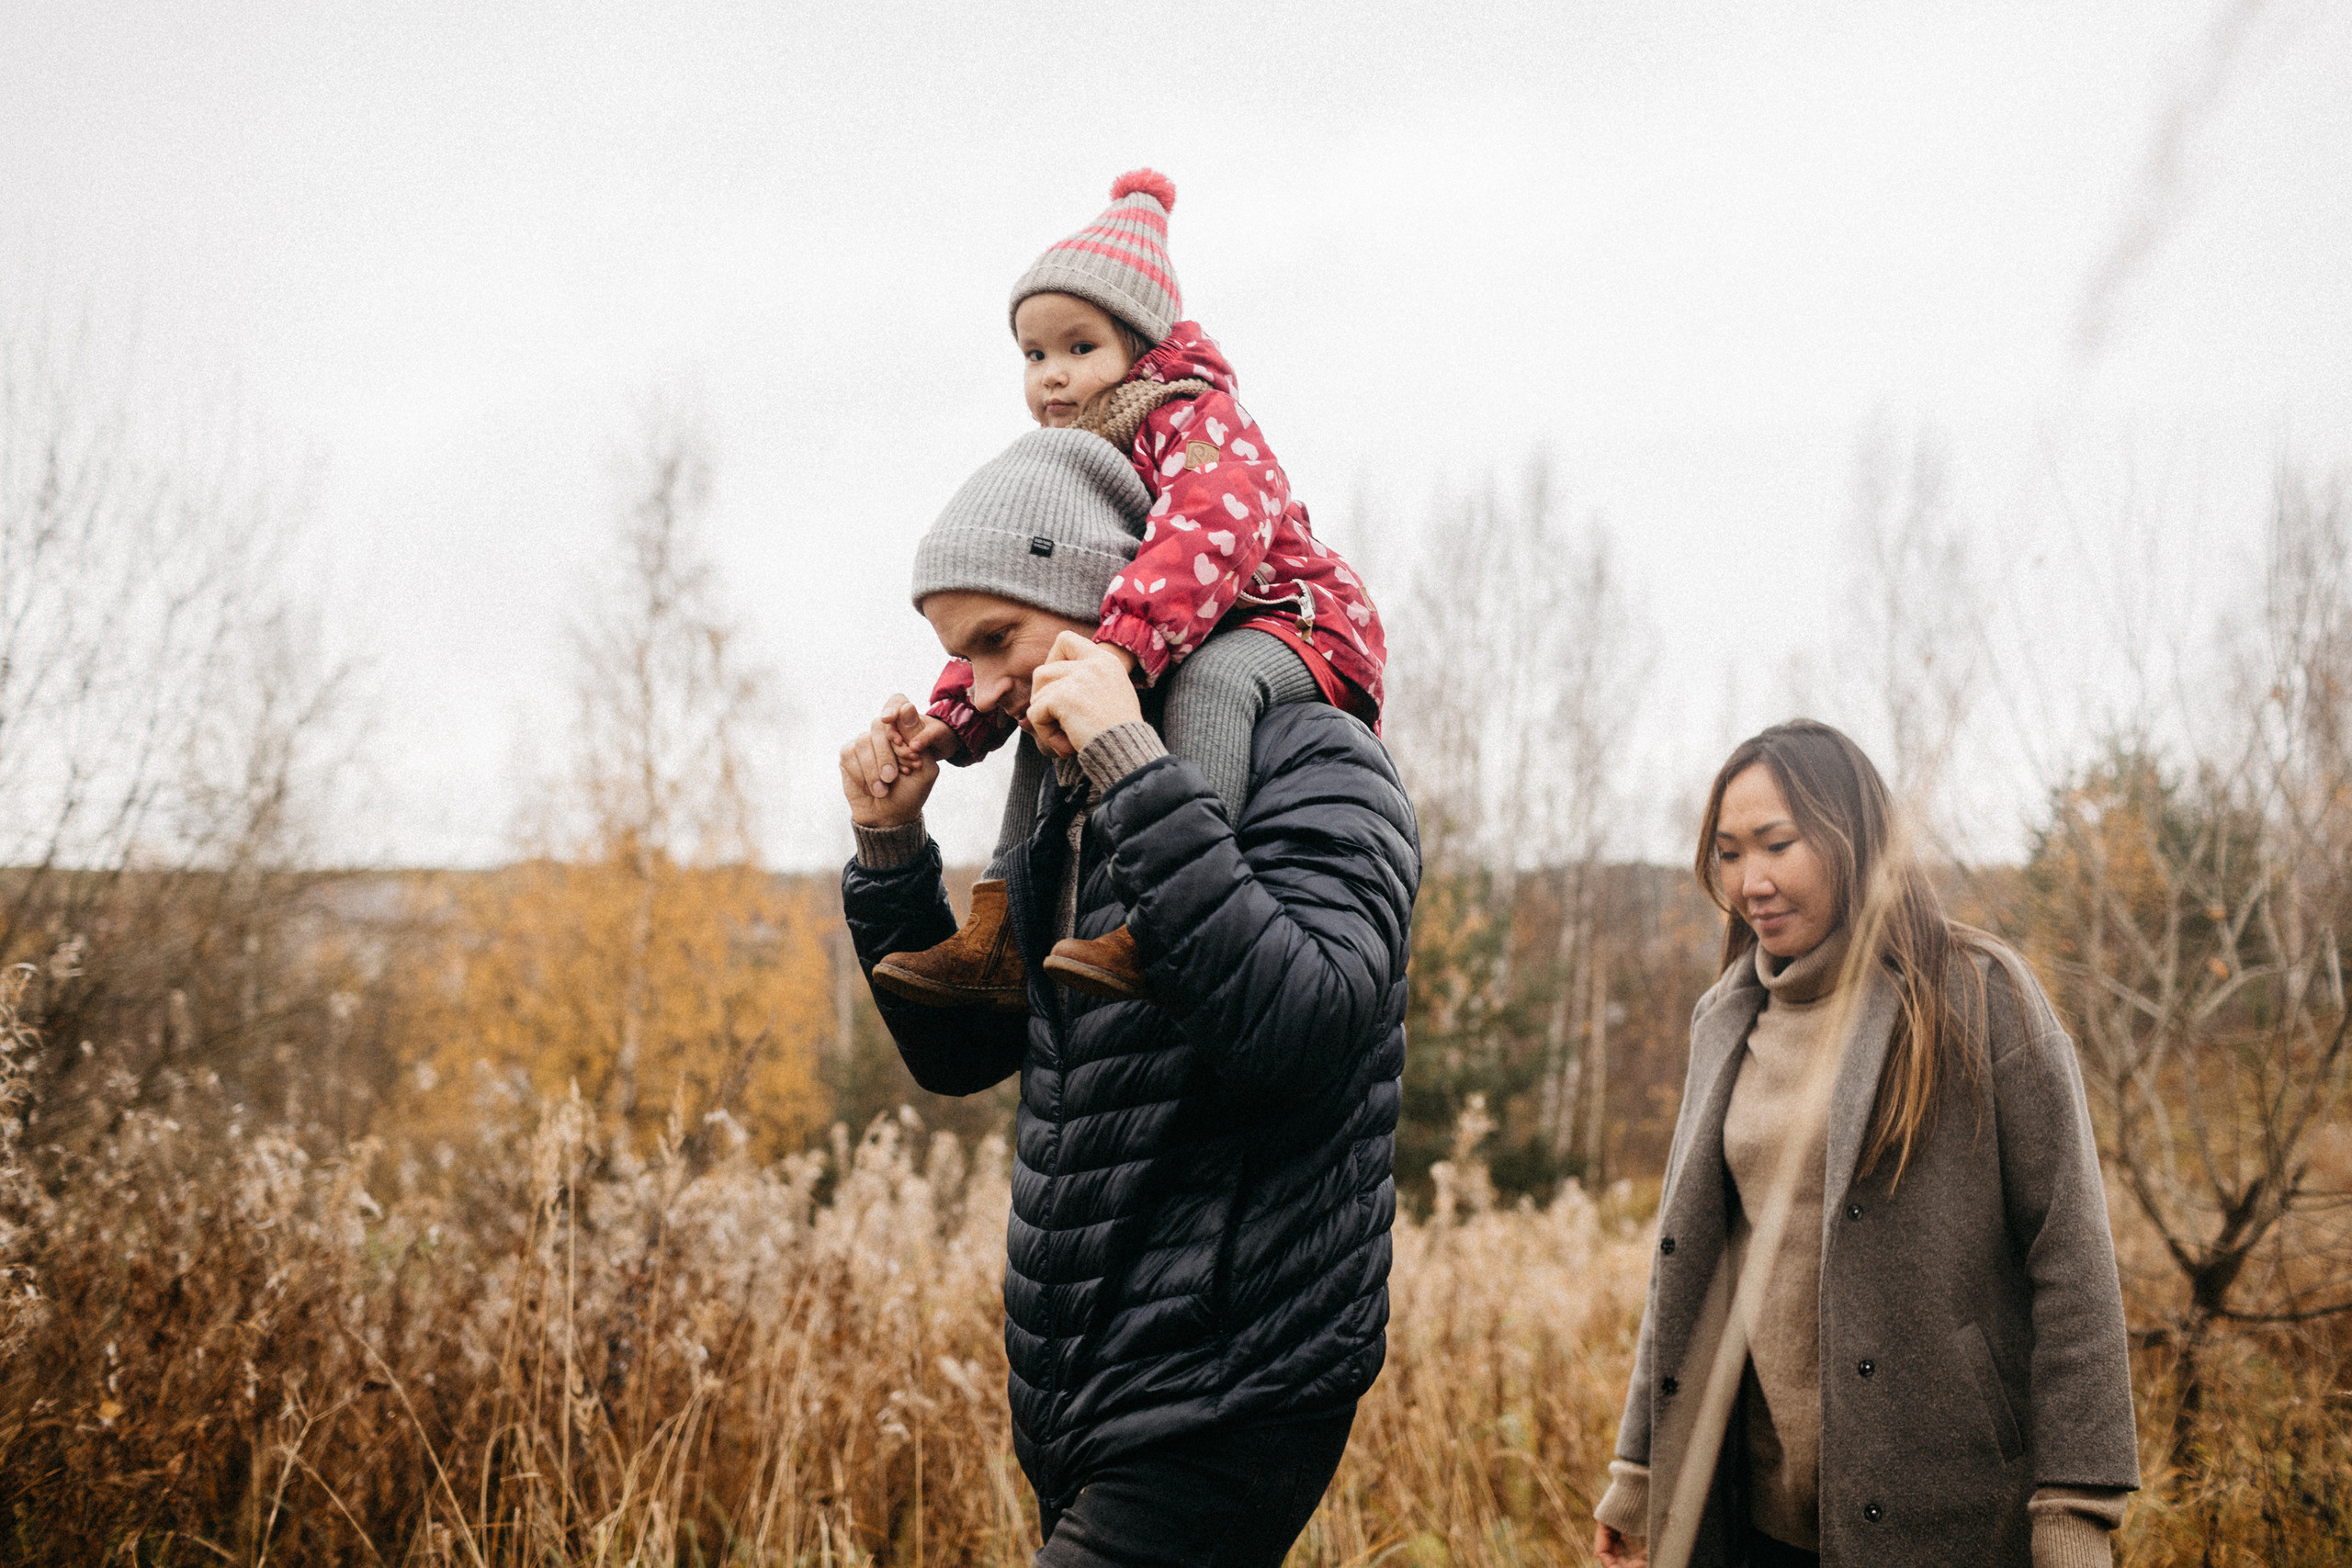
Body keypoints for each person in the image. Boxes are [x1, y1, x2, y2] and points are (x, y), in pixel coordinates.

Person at [836, 426, 1418, 1567]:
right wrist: (891, 848)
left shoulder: (1317, 755)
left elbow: (1301, 1026)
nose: (984, 689)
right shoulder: (1063, 794)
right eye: (962, 655)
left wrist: (1139, 777)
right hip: (1080, 1389)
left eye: (999, 640)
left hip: (1233, 1380)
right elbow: (964, 1058)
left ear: (1099, 598)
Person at [1592, 720, 2138, 1568]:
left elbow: (2070, 1256)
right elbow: (1687, 1265)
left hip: (1951, 1518)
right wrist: (1639, 1467)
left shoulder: (1977, 997)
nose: (1751, 881)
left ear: (1854, 839)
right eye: (1729, 853)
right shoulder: (1725, 1021)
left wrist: (2077, 1509)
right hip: (1759, 1518)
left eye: (1777, 843)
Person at [868, 168, 1385, 1009]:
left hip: (1292, 621)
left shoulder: (1194, 414)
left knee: (1206, 679)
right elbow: (1037, 600)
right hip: (1168, 623)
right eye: (1035, 355)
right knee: (1054, 698)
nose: (1053, 377)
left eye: (1080, 348)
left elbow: (1201, 538)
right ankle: (1001, 932)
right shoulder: (1083, 455)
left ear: (1141, 347)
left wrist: (1117, 649)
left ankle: (1163, 915)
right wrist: (955, 714)